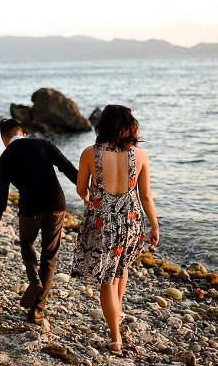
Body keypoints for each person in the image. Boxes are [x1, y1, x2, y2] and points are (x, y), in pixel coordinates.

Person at [70, 105, 159, 355]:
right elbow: (146, 196)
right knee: (122, 268)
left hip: (102, 222)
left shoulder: (90, 153)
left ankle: (115, 337)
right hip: (131, 221)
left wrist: (89, 198)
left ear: (103, 124)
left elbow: (80, 189)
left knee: (106, 279)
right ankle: (116, 314)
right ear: (129, 125)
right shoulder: (139, 156)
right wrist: (154, 224)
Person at [0, 118, 79, 324]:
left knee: (27, 243)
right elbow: (68, 169)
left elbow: (1, 200)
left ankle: (34, 280)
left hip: (30, 209)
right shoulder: (44, 143)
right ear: (23, 133)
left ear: (4, 139)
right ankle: (37, 310)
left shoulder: (5, 157)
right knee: (50, 255)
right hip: (56, 204)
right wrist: (87, 193)